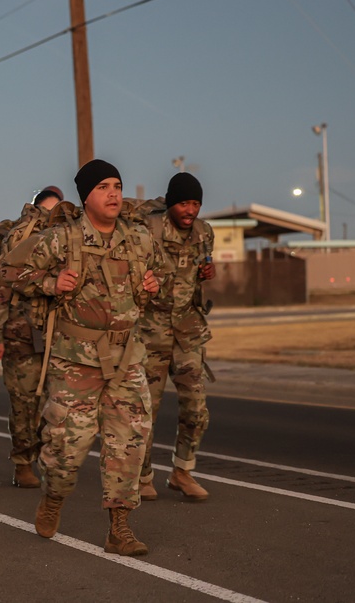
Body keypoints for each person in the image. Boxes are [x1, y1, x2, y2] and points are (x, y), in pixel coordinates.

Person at [5, 159, 159, 557]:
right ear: (86, 196)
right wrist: (49, 282)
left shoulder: (139, 238)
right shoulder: (61, 238)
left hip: (127, 357)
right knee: (66, 448)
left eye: (117, 185)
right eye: (104, 186)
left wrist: (152, 284)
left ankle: (120, 527)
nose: (113, 193)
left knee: (128, 443)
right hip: (76, 361)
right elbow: (6, 274)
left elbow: (156, 278)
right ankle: (53, 496)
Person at [137, 172, 215, 502]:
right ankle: (142, 476)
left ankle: (182, 472)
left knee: (196, 408)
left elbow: (201, 267)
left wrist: (207, 272)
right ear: (171, 202)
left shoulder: (204, 233)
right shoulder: (149, 230)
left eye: (195, 203)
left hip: (187, 331)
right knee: (145, 411)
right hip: (150, 333)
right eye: (184, 203)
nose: (190, 210)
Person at [0, 186, 63, 488]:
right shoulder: (21, 238)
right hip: (21, 335)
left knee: (55, 406)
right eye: (50, 209)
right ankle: (23, 462)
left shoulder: (64, 241)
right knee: (24, 405)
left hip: (56, 335)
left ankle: (48, 460)